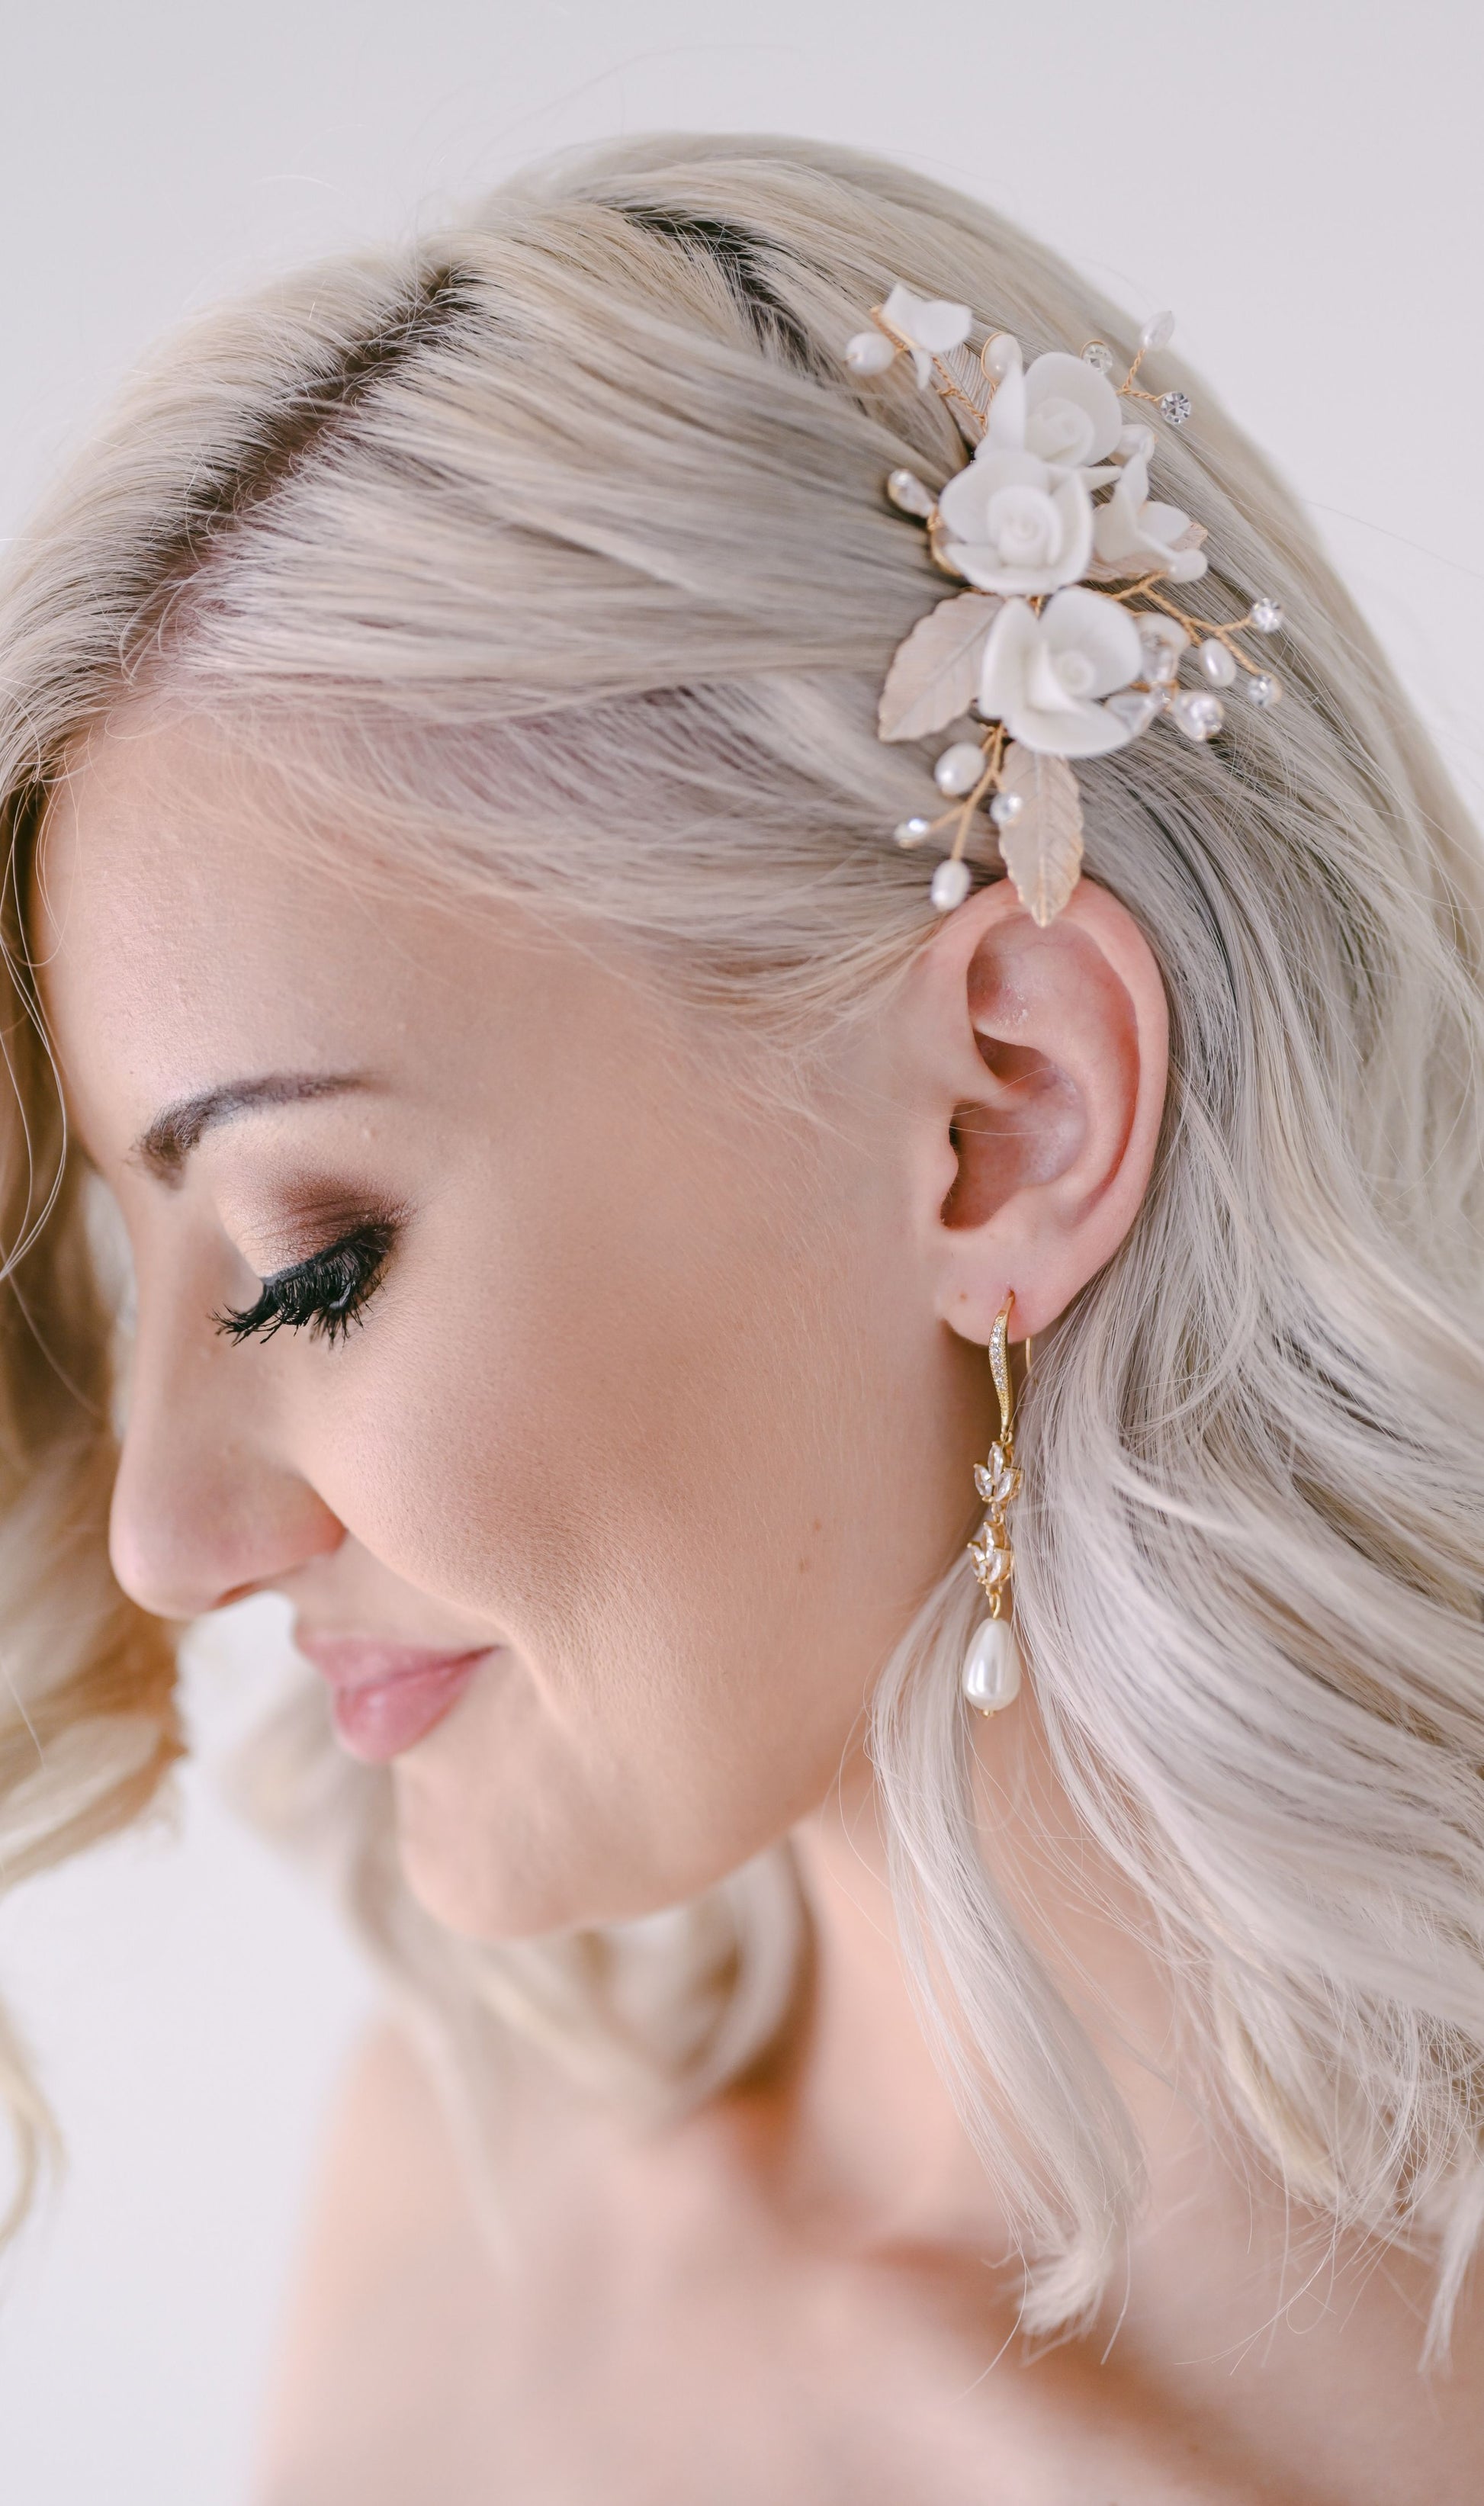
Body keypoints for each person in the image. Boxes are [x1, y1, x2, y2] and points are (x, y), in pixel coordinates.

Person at [2, 132, 1482, 2504]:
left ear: (1004, 1115)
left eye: (308, 1258)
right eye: (130, 1261)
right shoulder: (452, 2224)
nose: (169, 1542)